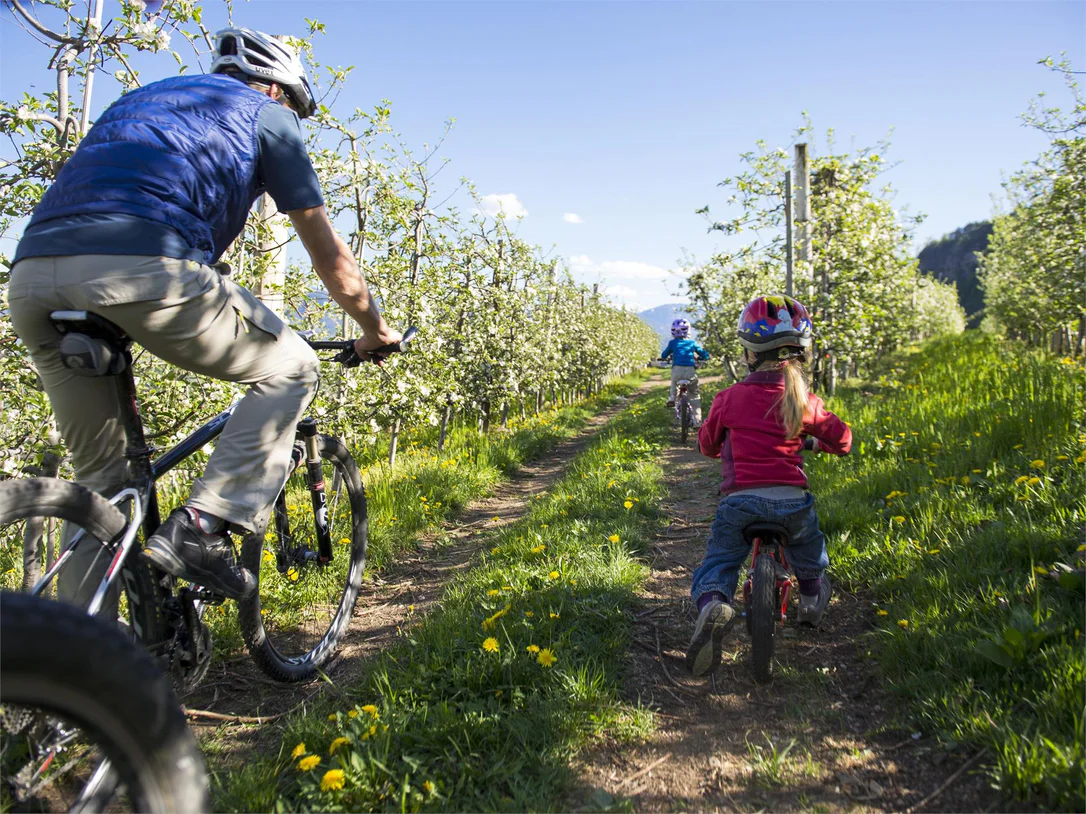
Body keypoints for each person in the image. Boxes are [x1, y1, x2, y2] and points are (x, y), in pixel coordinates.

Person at [8, 27, 400, 603]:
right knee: (289, 367)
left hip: (32, 278)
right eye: (292, 103)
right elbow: (329, 257)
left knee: (101, 487)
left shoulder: (141, 100)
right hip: (142, 270)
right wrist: (375, 330)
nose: (291, 112)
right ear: (274, 89)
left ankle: (71, 670)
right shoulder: (268, 115)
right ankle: (200, 529)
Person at [684, 295, 852, 678]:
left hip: (740, 502)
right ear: (800, 355)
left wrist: (723, 443)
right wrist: (818, 441)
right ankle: (810, 600)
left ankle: (712, 603)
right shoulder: (803, 401)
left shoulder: (728, 399)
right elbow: (842, 440)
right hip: (793, 504)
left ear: (748, 353)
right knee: (810, 554)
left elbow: (708, 445)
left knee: (721, 560)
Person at [659, 318, 710, 425]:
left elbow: (664, 355)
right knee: (694, 395)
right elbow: (703, 354)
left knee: (674, 383)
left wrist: (664, 358)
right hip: (690, 371)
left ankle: (672, 398)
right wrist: (705, 357)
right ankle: (697, 421)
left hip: (677, 369)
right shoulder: (692, 343)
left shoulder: (672, 343)